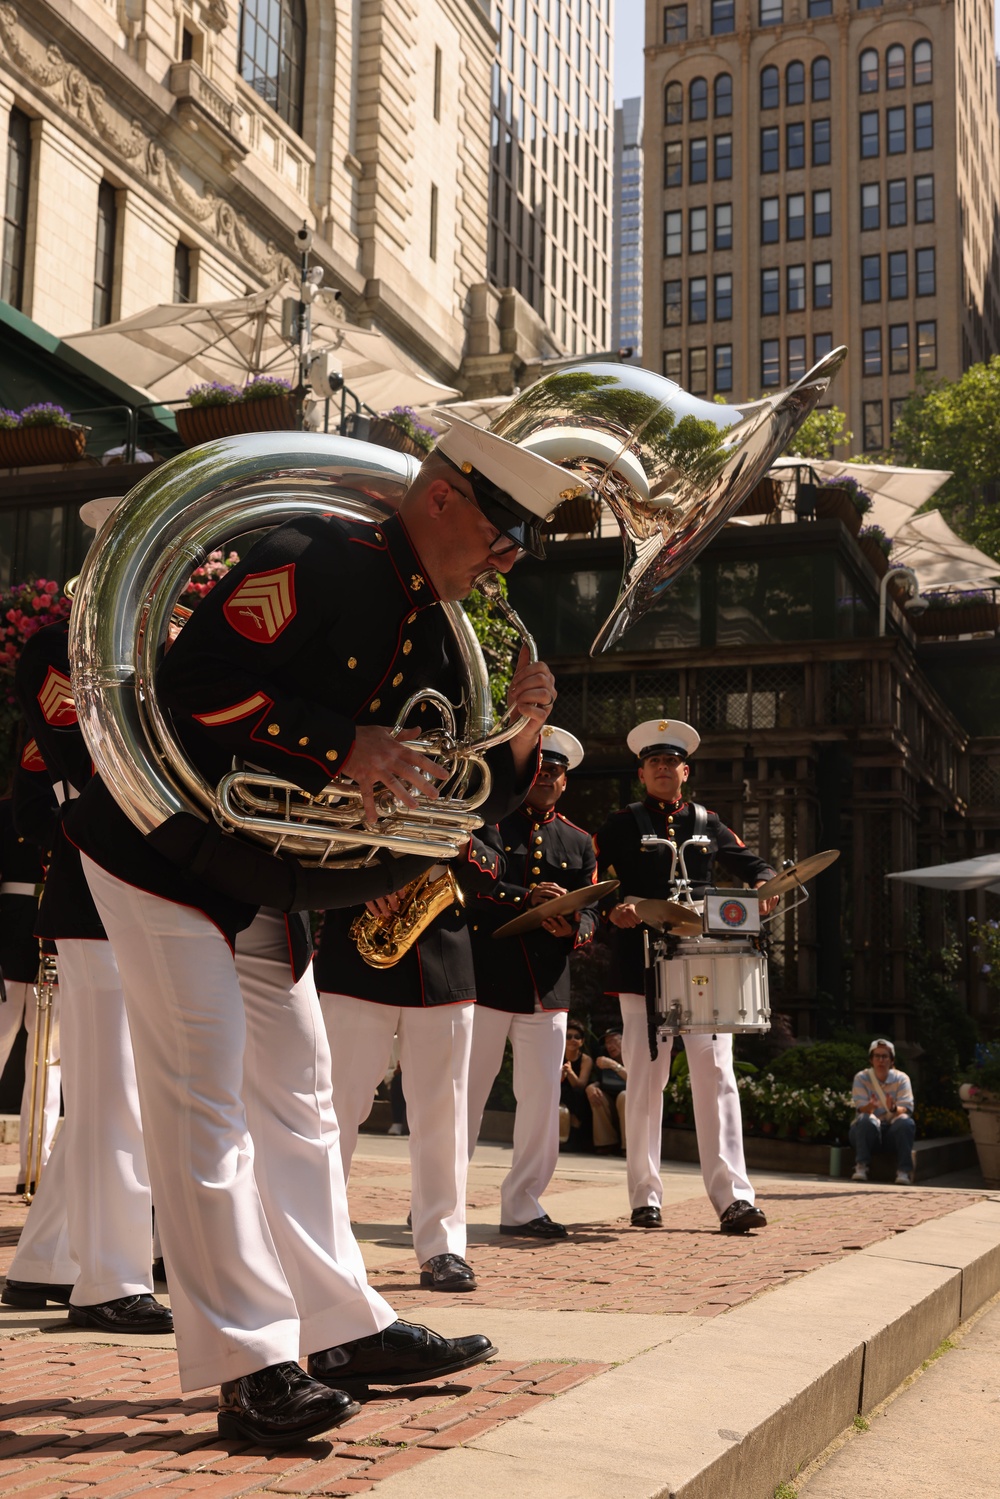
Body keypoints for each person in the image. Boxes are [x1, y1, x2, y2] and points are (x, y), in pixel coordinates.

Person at [64, 418, 570, 1445]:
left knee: (295, 1098)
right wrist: (342, 744)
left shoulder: (439, 625)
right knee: (203, 1089)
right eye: (502, 532)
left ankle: (342, 1326)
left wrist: (517, 728)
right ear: (441, 498)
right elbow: (193, 685)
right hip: (161, 847)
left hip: (264, 872)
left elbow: (459, 793)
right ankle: (250, 1362)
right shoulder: (311, 556)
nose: (507, 558)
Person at [594, 719, 778, 1233]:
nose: (661, 768)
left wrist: (766, 881)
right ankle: (644, 1196)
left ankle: (734, 1198)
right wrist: (614, 906)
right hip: (642, 964)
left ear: (684, 770)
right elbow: (587, 876)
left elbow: (751, 862)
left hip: (703, 963)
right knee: (647, 1081)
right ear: (641, 772)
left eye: (669, 761)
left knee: (717, 1077)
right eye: (653, 761)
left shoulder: (707, 821)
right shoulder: (619, 824)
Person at [466, 726, 598, 1239]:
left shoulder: (580, 841)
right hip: (488, 979)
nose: (547, 776)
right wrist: (525, 898)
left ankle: (523, 1205)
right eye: (540, 767)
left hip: (548, 987)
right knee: (465, 1097)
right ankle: (439, 1197)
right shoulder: (491, 819)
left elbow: (592, 910)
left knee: (542, 1102)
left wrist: (574, 927)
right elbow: (474, 887)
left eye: (556, 771)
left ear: (565, 782)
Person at [0, 787, 59, 1194]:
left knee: (47, 1064)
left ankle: (35, 1171)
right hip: (8, 940)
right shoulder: (8, 812)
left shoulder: (78, 808)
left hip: (55, 942)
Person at [850, 1039, 916, 1184]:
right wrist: (871, 1107)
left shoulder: (901, 1079)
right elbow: (861, 1108)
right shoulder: (861, 1078)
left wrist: (893, 1108)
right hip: (868, 1131)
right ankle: (861, 1166)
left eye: (885, 1056)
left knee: (906, 1122)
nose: (881, 1060)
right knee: (865, 1119)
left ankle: (903, 1171)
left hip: (890, 1130)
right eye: (877, 1056)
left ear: (891, 1060)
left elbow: (906, 1108)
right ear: (871, 1060)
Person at [586, 1028, 627, 1152]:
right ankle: (606, 1143)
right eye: (607, 1043)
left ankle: (629, 1146)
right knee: (596, 1095)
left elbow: (637, 1081)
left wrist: (615, 1066)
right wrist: (591, 1087)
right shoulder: (603, 1060)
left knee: (624, 1096)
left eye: (613, 1041)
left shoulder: (635, 1057)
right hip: (612, 1106)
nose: (610, 1046)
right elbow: (598, 1080)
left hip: (635, 1105)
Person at [559, 1020, 593, 1151]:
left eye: (577, 1037)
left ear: (582, 1041)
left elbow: (580, 1085)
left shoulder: (586, 1059)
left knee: (578, 1094)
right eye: (568, 1037)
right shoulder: (558, 1055)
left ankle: (574, 1133)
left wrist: (570, 1072)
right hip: (560, 1090)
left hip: (577, 1094)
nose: (572, 1040)